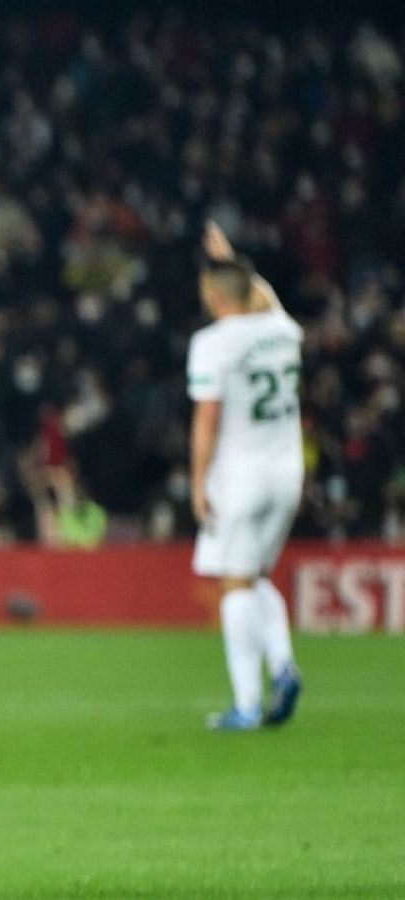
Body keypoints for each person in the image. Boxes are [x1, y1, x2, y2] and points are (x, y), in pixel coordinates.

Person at [188, 222, 304, 731]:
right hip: (288, 471)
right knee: (256, 576)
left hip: (241, 474)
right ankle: (282, 666)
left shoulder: (213, 343)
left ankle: (247, 704)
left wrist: (197, 480)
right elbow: (259, 296)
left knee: (234, 583)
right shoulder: (283, 328)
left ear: (213, 295)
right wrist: (233, 258)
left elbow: (207, 416)